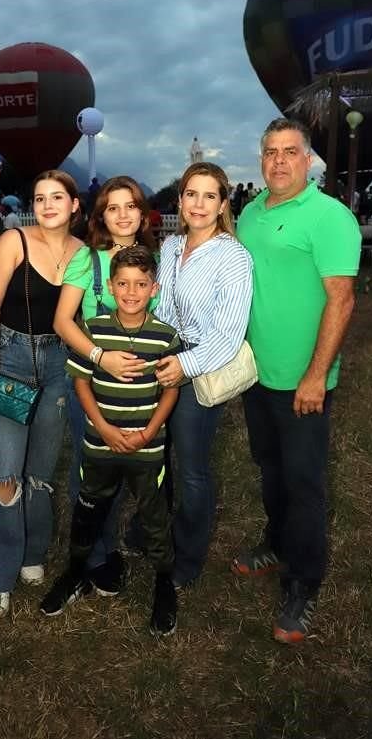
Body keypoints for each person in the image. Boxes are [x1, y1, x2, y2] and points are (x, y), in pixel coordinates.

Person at [233, 118, 360, 644]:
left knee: (304, 483)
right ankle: (278, 541)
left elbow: (342, 299)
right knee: (270, 469)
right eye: (270, 152)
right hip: (256, 375)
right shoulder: (250, 213)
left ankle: (303, 583)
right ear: (261, 159)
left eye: (290, 152)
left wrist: (315, 375)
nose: (279, 161)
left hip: (303, 382)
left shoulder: (330, 217)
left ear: (308, 160)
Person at [40, 247, 181, 635]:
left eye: (140, 284)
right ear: (110, 286)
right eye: (122, 284)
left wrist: (150, 431)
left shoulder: (165, 336)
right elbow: (81, 381)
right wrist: (102, 427)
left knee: (153, 518)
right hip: (100, 445)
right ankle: (74, 572)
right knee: (88, 511)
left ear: (154, 288)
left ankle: (164, 582)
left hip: (146, 448)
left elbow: (171, 389)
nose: (131, 292)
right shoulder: (95, 330)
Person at [0, 170, 84, 620]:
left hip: (59, 366)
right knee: (3, 473)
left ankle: (32, 551)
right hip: (9, 358)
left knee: (39, 472)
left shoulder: (84, 255)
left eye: (58, 197)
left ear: (75, 205)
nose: (48, 204)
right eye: (40, 198)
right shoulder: (12, 243)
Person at [53, 175, 157, 594]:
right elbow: (62, 321)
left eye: (130, 205)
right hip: (93, 383)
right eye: (112, 207)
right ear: (101, 216)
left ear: (142, 211)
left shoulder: (158, 259)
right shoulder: (88, 260)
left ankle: (141, 537)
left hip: (142, 387)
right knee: (92, 469)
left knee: (133, 466)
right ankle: (95, 554)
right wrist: (100, 357)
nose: (122, 214)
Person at [154, 162, 253, 589]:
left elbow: (228, 335)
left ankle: (188, 556)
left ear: (223, 204)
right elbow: (160, 310)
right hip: (163, 357)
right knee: (156, 456)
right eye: (191, 194)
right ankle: (153, 531)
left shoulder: (233, 255)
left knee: (192, 467)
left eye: (209, 196)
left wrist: (185, 367)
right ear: (179, 200)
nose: (198, 204)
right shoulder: (171, 246)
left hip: (200, 365)